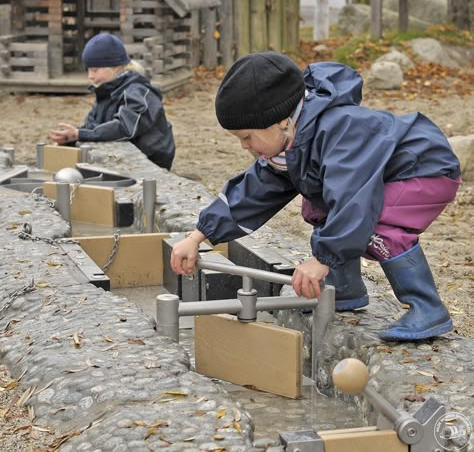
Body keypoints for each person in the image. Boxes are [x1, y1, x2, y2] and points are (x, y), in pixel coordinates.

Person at [170, 51, 461, 342]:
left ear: (281, 121)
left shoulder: (341, 131)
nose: (245, 146)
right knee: (317, 206)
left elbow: (354, 200)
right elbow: (251, 193)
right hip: (379, 177)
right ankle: (344, 289)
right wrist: (198, 236)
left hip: (422, 169)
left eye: (247, 136)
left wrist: (322, 259)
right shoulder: (286, 145)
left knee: (378, 228)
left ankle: (427, 307)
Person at [49, 33, 175, 170]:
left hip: (151, 161)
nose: (90, 76)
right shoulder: (106, 91)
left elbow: (125, 128)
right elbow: (93, 127)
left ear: (114, 66)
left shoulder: (137, 91)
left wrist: (79, 134)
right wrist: (71, 140)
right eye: (88, 70)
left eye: (95, 70)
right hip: (121, 154)